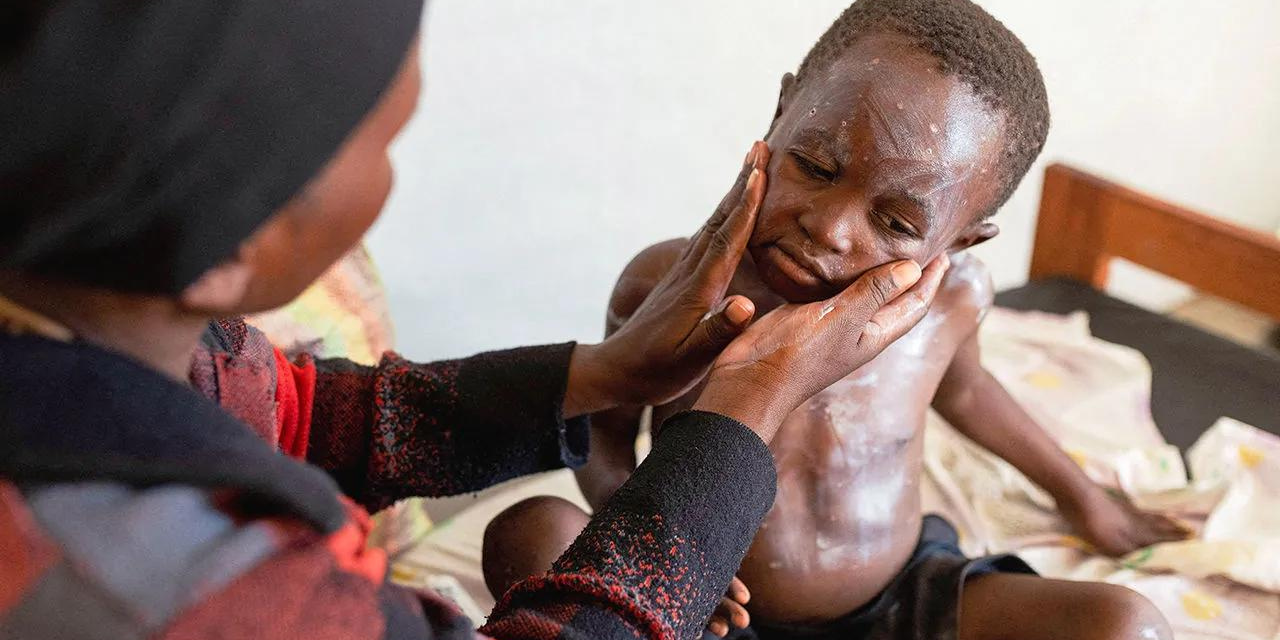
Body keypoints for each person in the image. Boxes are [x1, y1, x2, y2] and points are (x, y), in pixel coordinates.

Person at [0, 1, 949, 639]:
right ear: (223, 250)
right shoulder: (197, 590)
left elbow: (291, 413)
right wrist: (739, 416)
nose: (833, 227)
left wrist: (604, 372)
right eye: (387, 146)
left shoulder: (102, 329)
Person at [482, 1, 1190, 639]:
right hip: (700, 609)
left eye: (895, 220)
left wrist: (1086, 499)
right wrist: (647, 547)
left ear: (962, 240)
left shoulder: (950, 300)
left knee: (1127, 625)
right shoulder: (670, 286)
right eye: (817, 165)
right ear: (782, 110)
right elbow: (602, 436)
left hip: (901, 604)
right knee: (531, 530)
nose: (829, 227)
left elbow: (969, 393)